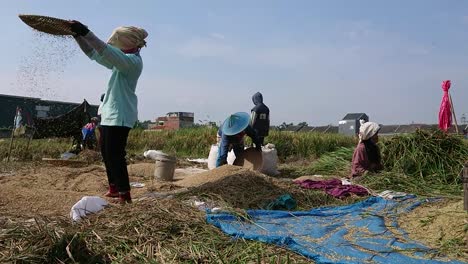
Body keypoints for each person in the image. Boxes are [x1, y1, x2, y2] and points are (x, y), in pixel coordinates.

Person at [70, 21, 148, 203]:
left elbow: (105, 50)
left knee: (115, 154)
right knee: (106, 152)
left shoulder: (132, 62)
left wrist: (86, 32)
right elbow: (94, 54)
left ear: (127, 43)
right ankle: (113, 187)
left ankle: (124, 194)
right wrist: (78, 37)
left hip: (120, 115)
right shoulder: (120, 60)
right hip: (109, 114)